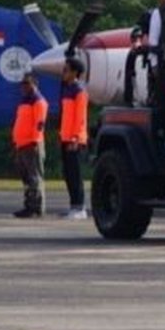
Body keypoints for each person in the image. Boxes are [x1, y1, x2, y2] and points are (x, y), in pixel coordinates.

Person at [11, 73, 48, 218]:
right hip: (21, 144)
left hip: (32, 144)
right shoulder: (24, 101)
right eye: (23, 84)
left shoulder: (38, 101)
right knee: (26, 178)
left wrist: (35, 141)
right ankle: (29, 205)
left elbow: (40, 124)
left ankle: (37, 207)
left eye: (27, 83)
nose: (24, 86)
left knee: (35, 177)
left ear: (35, 84)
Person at [59, 57, 89, 220]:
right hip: (65, 137)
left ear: (74, 72)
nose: (63, 73)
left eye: (66, 70)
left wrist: (76, 138)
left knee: (75, 174)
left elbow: (80, 117)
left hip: (74, 139)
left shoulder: (79, 91)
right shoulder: (67, 89)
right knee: (68, 173)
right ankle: (73, 205)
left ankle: (80, 207)